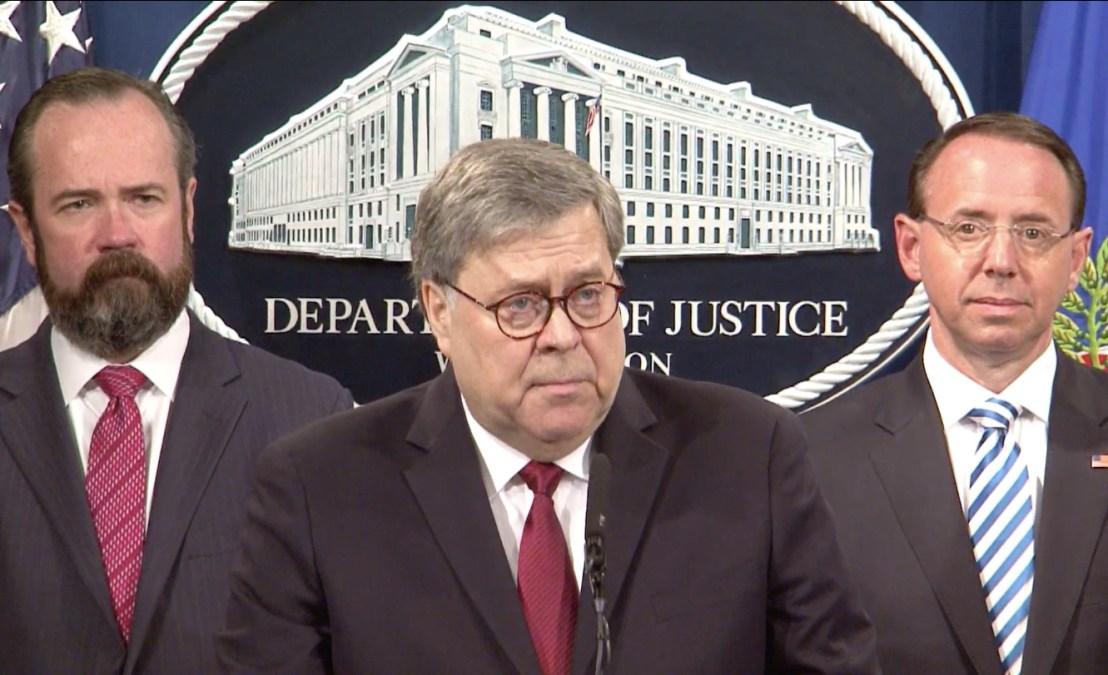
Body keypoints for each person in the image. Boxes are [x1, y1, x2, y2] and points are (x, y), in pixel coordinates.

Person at [217, 137, 878, 674]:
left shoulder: (746, 451)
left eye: (588, 294)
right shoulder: (317, 487)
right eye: (521, 305)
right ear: (439, 312)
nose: (563, 335)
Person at [0, 67, 354, 674]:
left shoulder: (308, 419)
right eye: (79, 204)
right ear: (26, 231)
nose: (118, 234)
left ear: (188, 210)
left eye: (144, 198)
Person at [802, 112, 1108, 674]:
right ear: (912, 247)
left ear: (1075, 259)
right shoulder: (809, 460)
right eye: (969, 228)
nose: (1001, 262)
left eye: (1034, 233)